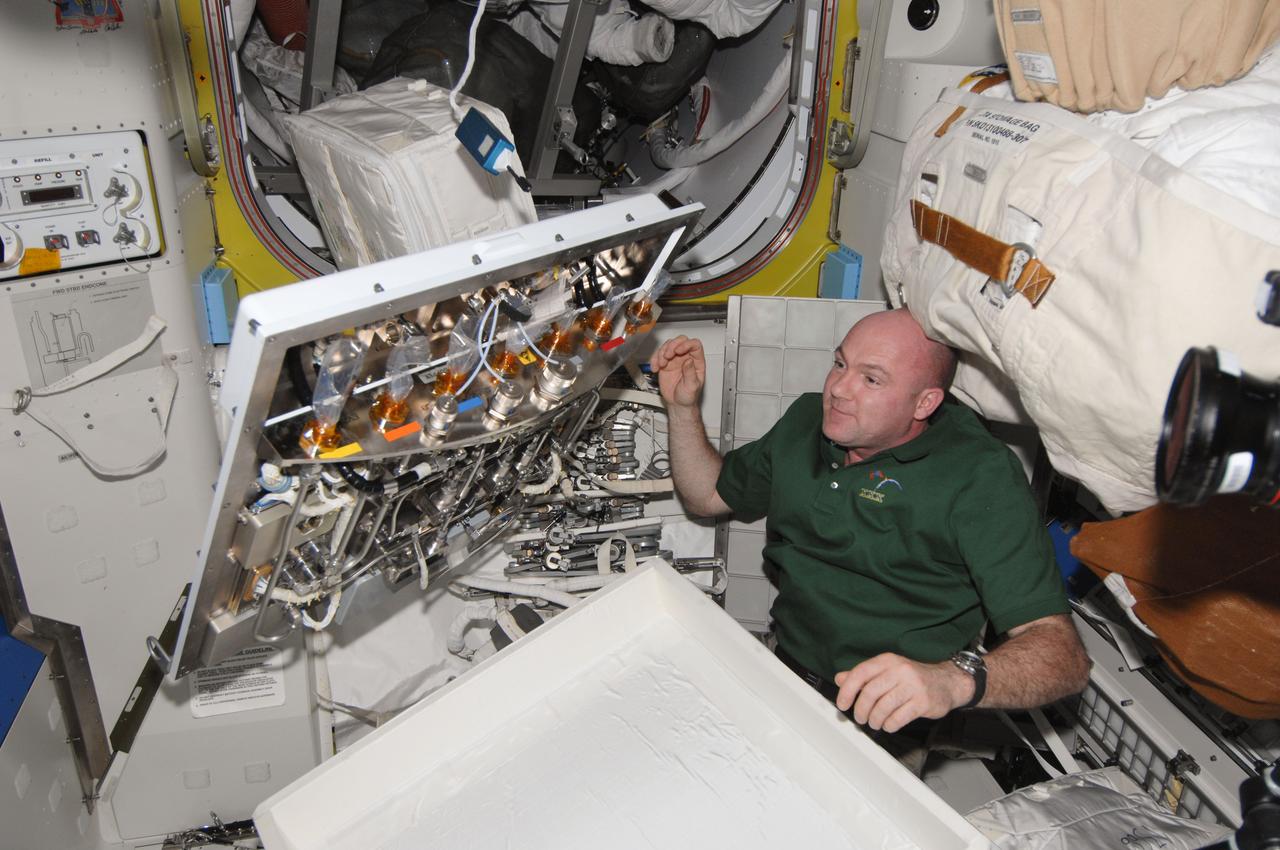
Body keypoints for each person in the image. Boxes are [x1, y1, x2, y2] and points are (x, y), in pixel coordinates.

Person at [652, 308, 1090, 738]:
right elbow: (707, 495)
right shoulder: (808, 422)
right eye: (840, 363)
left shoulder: (980, 477)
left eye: (871, 379)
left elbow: (1063, 657)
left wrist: (952, 681)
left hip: (889, 717)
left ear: (925, 403)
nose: (839, 389)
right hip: (785, 669)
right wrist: (681, 407)